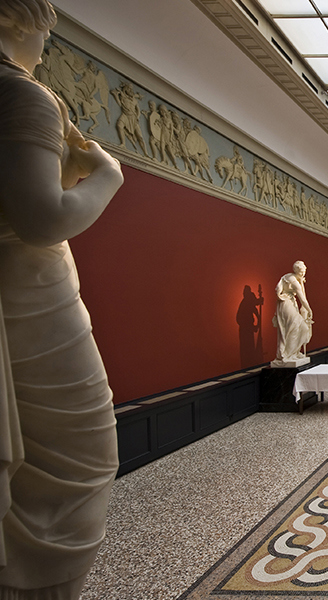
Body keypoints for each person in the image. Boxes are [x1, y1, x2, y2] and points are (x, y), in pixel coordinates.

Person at [0, 1, 124, 597]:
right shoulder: (23, 95)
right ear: (10, 18)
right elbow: (41, 220)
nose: (47, 40)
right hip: (28, 296)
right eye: (44, 25)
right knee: (84, 459)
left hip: (22, 293)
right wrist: (108, 177)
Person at [272, 261, 312, 363]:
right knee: (294, 327)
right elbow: (302, 298)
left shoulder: (291, 277)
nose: (303, 274)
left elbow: (302, 293)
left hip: (288, 303)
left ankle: (294, 352)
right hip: (286, 304)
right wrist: (309, 310)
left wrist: (301, 281)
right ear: (296, 271)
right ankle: (288, 354)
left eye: (304, 271)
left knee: (299, 328)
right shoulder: (293, 281)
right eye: (301, 272)